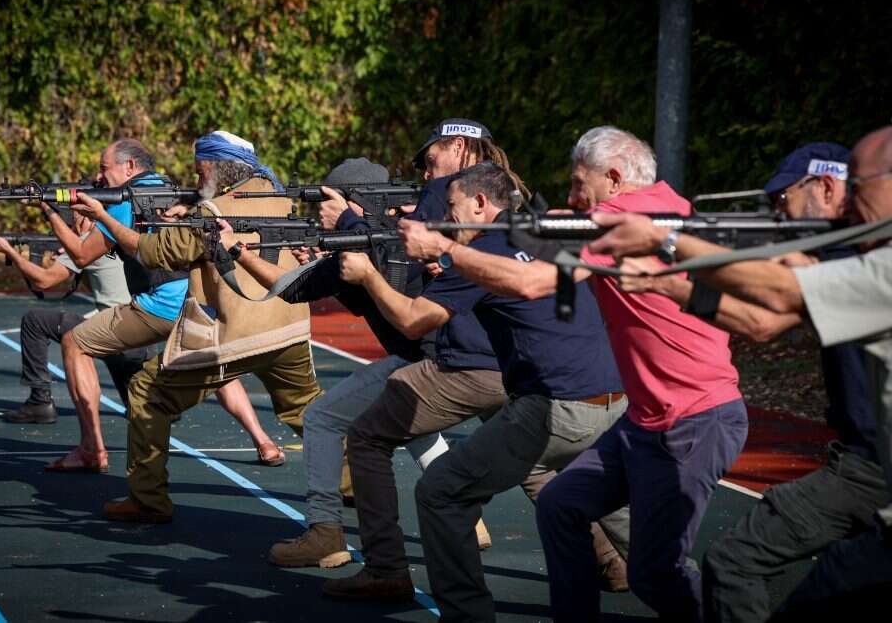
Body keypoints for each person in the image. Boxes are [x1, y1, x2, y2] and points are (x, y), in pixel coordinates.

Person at [400, 126, 748, 621]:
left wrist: (447, 250)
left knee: (656, 572)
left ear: (612, 178)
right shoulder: (669, 201)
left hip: (691, 418)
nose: (570, 195)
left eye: (579, 183)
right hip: (645, 417)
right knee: (561, 504)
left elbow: (532, 282)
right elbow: (555, 234)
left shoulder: (617, 220)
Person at [585, 125, 892, 614]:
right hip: (864, 463)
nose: (777, 212)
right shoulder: (854, 255)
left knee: (736, 563)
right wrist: (673, 287)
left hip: (868, 468)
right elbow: (764, 322)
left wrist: (666, 239)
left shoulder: (874, 263)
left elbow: (776, 297)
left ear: (828, 188)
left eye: (785, 198)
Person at [334, 162, 627, 618]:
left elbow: (413, 321)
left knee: (440, 492)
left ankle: (465, 613)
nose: (446, 218)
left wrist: (369, 276)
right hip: (616, 400)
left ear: (480, 204)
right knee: (623, 514)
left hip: (556, 406)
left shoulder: (480, 252)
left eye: (451, 207)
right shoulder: (545, 229)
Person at [218, 156, 462, 568]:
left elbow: (291, 290)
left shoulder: (377, 239)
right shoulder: (407, 230)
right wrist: (321, 255)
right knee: (413, 424)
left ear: (351, 202)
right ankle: (469, 521)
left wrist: (238, 251)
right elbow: (334, 288)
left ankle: (325, 532)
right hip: (437, 357)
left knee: (322, 417)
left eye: (330, 202)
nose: (322, 211)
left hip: (428, 360)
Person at [83, 132, 325, 524]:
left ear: (213, 167)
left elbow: (151, 252)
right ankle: (354, 486)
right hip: (289, 328)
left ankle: (147, 500)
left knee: (147, 391)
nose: (196, 179)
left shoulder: (213, 212)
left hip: (233, 334)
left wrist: (103, 218)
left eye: (199, 171)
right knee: (310, 413)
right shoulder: (280, 197)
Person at [42, 136, 282, 472]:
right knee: (214, 366)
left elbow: (81, 255)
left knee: (75, 343)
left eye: (104, 168)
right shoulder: (169, 188)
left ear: (129, 166)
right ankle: (265, 442)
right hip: (198, 299)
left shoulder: (124, 200)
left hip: (160, 304)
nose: (100, 177)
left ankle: (91, 449)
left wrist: (50, 213)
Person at [0, 211, 151, 424]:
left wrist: (10, 251)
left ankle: (39, 402)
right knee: (142, 406)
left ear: (83, 218)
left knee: (34, 321)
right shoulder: (119, 238)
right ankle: (150, 402)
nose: (69, 225)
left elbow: (43, 282)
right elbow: (103, 281)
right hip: (139, 335)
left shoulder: (85, 243)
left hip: (116, 334)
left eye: (71, 219)